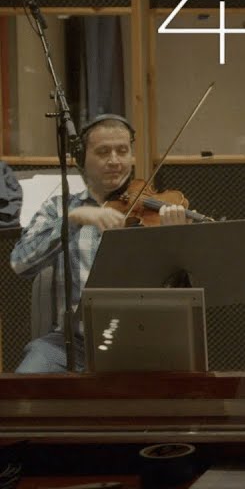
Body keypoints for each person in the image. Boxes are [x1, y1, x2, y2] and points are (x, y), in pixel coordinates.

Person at [10, 114, 188, 373]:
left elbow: (183, 294)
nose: (114, 161)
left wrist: (175, 243)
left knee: (189, 389)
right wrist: (72, 220)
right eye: (103, 152)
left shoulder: (156, 212)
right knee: (26, 383)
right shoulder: (58, 208)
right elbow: (20, 263)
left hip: (140, 340)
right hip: (68, 344)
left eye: (122, 151)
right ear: (82, 158)